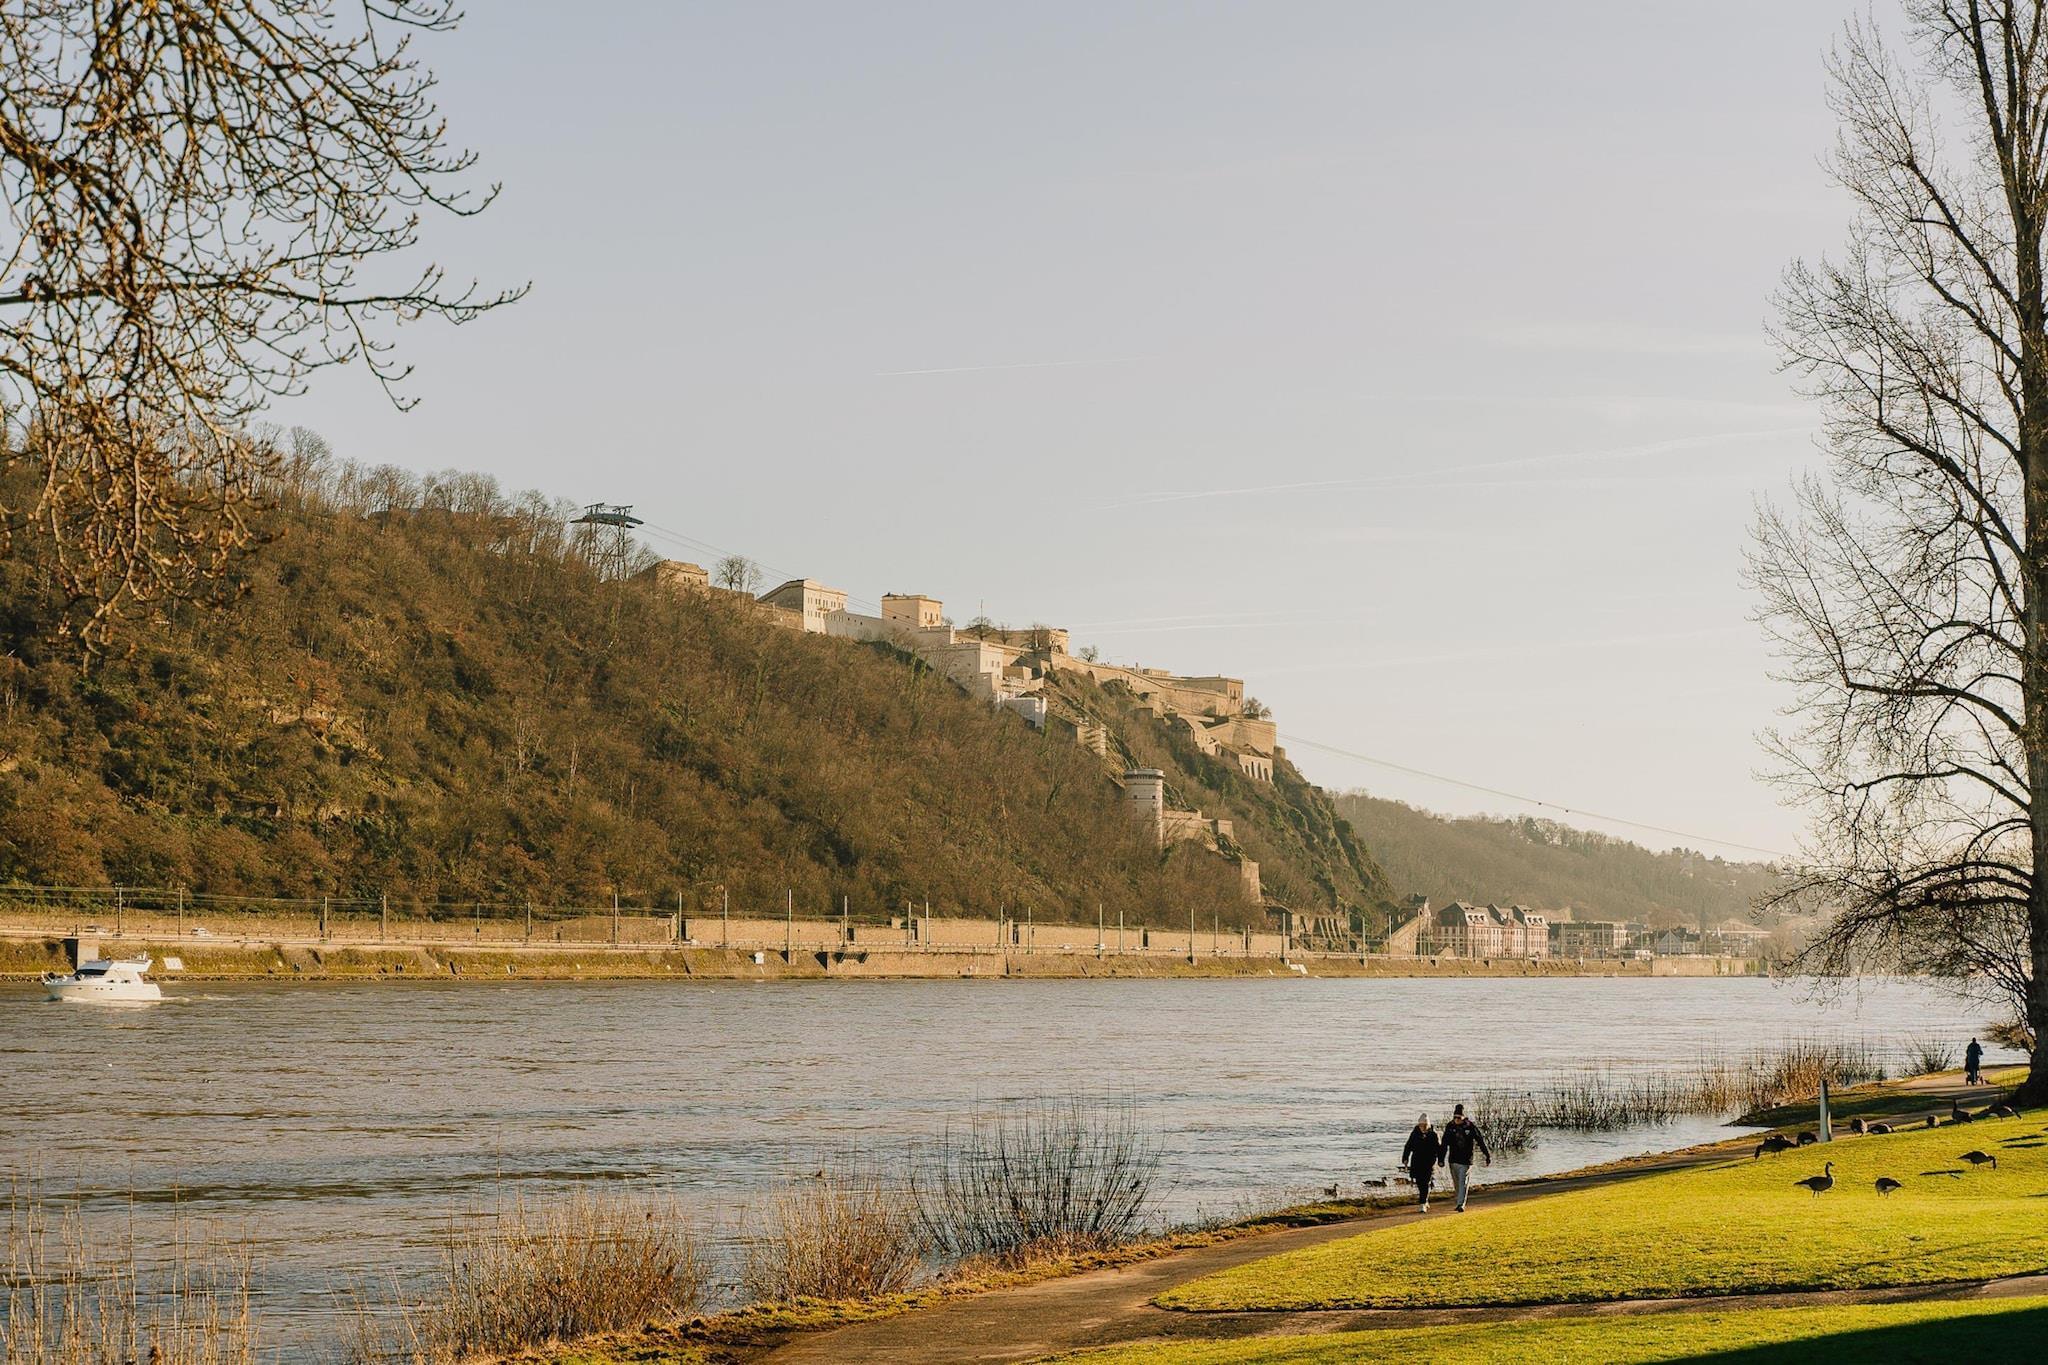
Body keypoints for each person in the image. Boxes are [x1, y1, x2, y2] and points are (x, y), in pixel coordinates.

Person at [1441, 1103, 1492, 1212]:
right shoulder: (1450, 1127)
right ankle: (1459, 1201)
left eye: (1459, 1118)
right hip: (1453, 1160)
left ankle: (1461, 1204)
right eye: (1455, 1117)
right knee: (1457, 1184)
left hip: (1466, 1160)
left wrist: (1487, 1155)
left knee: (1463, 1182)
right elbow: (1444, 1143)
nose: (1456, 1119)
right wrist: (1441, 1159)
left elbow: (1480, 1140)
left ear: (1463, 1117)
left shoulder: (1470, 1126)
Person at [1400, 1113, 1443, 1213]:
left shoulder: (1433, 1134)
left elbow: (1439, 1149)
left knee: (1426, 1182)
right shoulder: (1415, 1133)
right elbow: (1408, 1146)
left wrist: (1440, 1160)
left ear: (1428, 1125)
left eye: (1424, 1125)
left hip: (1429, 1162)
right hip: (1417, 1161)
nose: (1422, 1127)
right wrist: (1405, 1158)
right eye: (1421, 1125)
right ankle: (1425, 1199)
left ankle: (1422, 1203)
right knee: (1419, 1182)